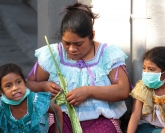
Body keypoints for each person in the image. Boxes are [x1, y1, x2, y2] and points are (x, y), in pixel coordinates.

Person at [27, 2, 130, 133]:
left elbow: (123, 90)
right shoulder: (53, 55)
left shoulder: (107, 55)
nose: (71, 49)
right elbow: (28, 84)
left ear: (92, 35)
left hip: (99, 118)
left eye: (78, 44)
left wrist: (89, 91)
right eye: (66, 43)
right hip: (61, 116)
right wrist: (43, 86)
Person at [0, 63, 63, 133]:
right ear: (0, 91)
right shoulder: (0, 108)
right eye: (8, 86)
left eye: (18, 82)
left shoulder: (36, 101)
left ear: (25, 83)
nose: (15, 88)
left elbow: (57, 110)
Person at [127, 46, 165, 133]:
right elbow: (135, 115)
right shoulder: (143, 87)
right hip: (146, 127)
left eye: (151, 69)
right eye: (144, 68)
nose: (146, 72)